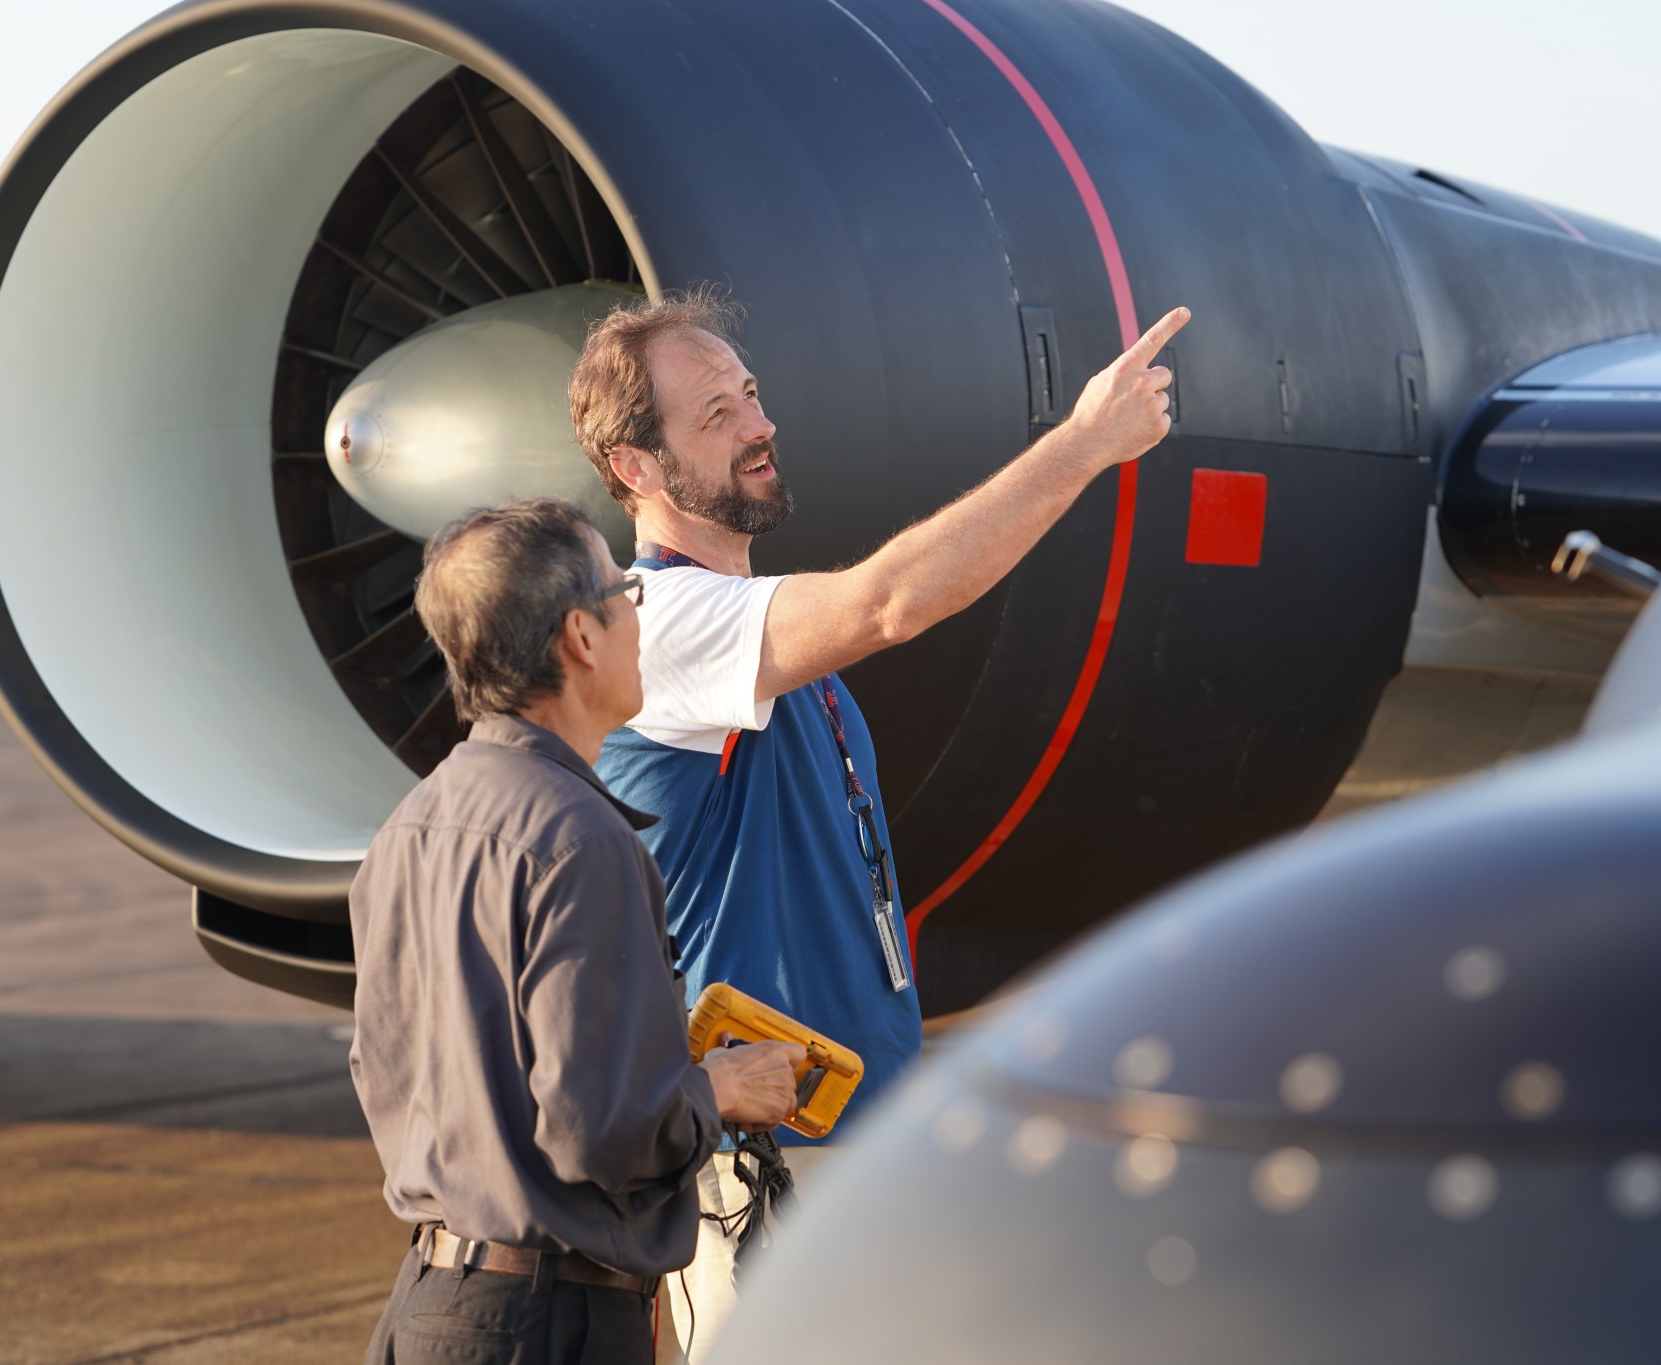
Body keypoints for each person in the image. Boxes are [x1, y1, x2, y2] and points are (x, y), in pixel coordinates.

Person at [568, 288, 1190, 1357]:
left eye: (750, 395)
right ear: (634, 467)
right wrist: (1082, 447)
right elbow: (888, 604)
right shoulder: (660, 621)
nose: (756, 424)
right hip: (762, 1164)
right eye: (713, 414)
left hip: (849, 1138)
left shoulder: (764, 652)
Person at [348, 498, 806, 1365]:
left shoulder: (406, 828)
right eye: (628, 592)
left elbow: (381, 1068)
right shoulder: (582, 838)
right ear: (581, 637)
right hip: (545, 1324)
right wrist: (720, 1087)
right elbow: (600, 1130)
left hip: (429, 1307)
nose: (641, 615)